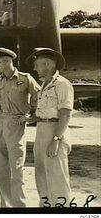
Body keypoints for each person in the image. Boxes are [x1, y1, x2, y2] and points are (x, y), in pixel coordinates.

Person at [0, 46, 40, 207]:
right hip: (0, 124)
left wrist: (32, 116)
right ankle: (6, 205)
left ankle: (19, 206)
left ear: (6, 61)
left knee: (16, 168)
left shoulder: (25, 78)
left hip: (17, 125)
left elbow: (40, 96)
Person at [26, 48, 74, 207]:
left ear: (48, 65)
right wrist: (32, 117)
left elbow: (65, 115)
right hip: (41, 130)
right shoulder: (44, 84)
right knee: (42, 175)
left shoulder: (62, 84)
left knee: (57, 178)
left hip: (55, 131)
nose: (34, 69)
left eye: (37, 65)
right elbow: (46, 110)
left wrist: (56, 139)